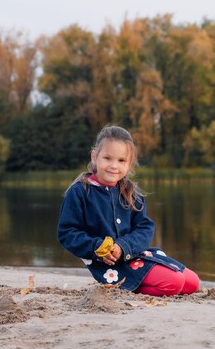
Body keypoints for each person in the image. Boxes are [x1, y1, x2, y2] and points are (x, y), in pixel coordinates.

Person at [57, 125, 200, 296]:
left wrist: (123, 246)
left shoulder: (131, 192)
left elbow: (145, 228)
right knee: (175, 283)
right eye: (107, 158)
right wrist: (96, 247)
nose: (113, 166)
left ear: (129, 163)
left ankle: (135, 284)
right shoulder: (80, 192)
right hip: (109, 265)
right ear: (95, 157)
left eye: (121, 161)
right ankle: (124, 288)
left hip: (135, 254)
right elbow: (67, 232)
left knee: (192, 283)